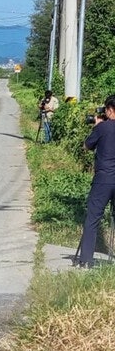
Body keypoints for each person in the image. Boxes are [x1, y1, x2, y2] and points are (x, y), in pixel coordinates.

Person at [77, 95, 115, 268]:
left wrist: (97, 126)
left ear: (109, 110)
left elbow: (86, 146)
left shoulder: (103, 127)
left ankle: (86, 261)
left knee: (93, 218)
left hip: (104, 179)